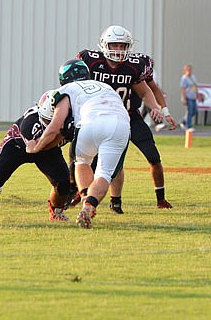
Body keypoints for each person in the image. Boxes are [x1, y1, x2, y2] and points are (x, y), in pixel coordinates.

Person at [26, 59, 136, 229]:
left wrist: (37, 146)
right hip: (119, 123)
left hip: (89, 122)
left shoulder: (65, 89)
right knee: (104, 174)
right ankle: (89, 205)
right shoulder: (104, 86)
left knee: (82, 162)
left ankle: (85, 196)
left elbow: (55, 125)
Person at [73, 25, 171, 213]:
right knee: (85, 159)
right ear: (104, 44)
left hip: (128, 118)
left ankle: (152, 199)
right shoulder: (90, 62)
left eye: (122, 46)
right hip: (97, 117)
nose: (117, 50)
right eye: (114, 45)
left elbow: (146, 91)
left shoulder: (134, 66)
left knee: (148, 157)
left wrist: (157, 109)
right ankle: (80, 194)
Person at [0, 90, 74, 222]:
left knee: (63, 183)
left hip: (47, 149)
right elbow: (34, 149)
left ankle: (56, 212)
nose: (51, 124)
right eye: (47, 120)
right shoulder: (30, 122)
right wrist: (61, 135)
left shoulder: (71, 120)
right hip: (18, 146)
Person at [125, 53, 177, 209]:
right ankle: (82, 194)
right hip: (109, 118)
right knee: (96, 159)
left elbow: (153, 89)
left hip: (133, 116)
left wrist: (165, 112)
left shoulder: (139, 68)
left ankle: (161, 199)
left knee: (154, 157)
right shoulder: (109, 68)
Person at [180, 64, 199, 131]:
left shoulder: (193, 77)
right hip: (188, 97)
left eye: (190, 69)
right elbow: (183, 89)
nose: (190, 71)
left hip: (194, 97)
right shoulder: (184, 78)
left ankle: (183, 121)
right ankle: (189, 126)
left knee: (195, 111)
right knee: (190, 111)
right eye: (188, 69)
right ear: (185, 70)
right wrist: (183, 98)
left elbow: (195, 86)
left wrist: (198, 95)